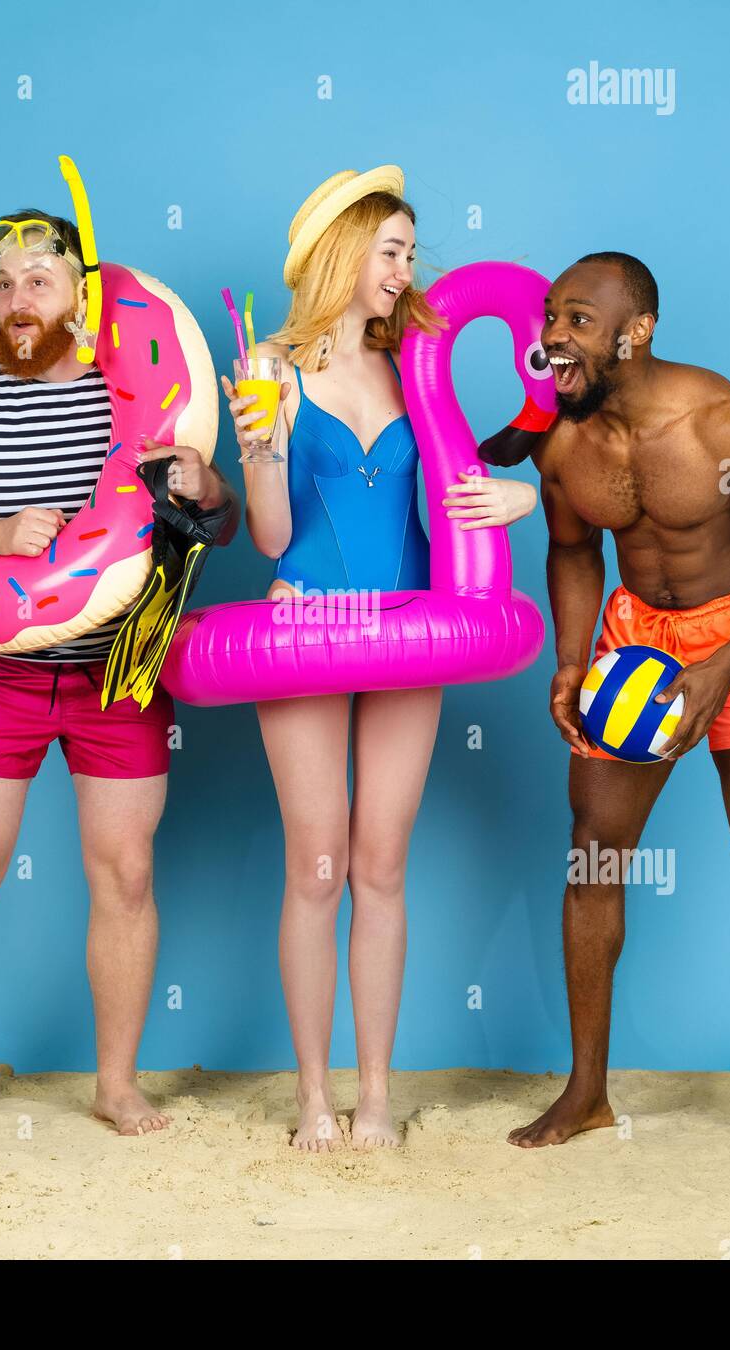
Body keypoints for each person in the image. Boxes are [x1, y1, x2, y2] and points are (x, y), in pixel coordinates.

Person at [0, 210, 235, 1152]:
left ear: (81, 296)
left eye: (39, 282)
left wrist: (207, 486)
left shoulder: (130, 400)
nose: (17, 301)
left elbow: (209, 532)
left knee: (128, 873)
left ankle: (114, 1084)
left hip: (120, 671)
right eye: (5, 284)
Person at [496, 251, 730, 1169]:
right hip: (636, 643)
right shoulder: (565, 441)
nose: (552, 336)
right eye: (548, 317)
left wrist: (726, 668)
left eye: (576, 319)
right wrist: (573, 664)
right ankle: (586, 1091)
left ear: (636, 330)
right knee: (594, 852)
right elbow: (573, 552)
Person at [227, 167, 537, 1151]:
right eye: (389, 248)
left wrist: (526, 498)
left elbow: (469, 473)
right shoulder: (268, 367)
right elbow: (272, 538)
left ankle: (372, 1098)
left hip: (413, 627)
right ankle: (313, 1099)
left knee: (381, 861)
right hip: (306, 622)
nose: (404, 267)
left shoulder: (420, 363)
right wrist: (261, 454)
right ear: (339, 253)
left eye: (410, 249)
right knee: (316, 866)